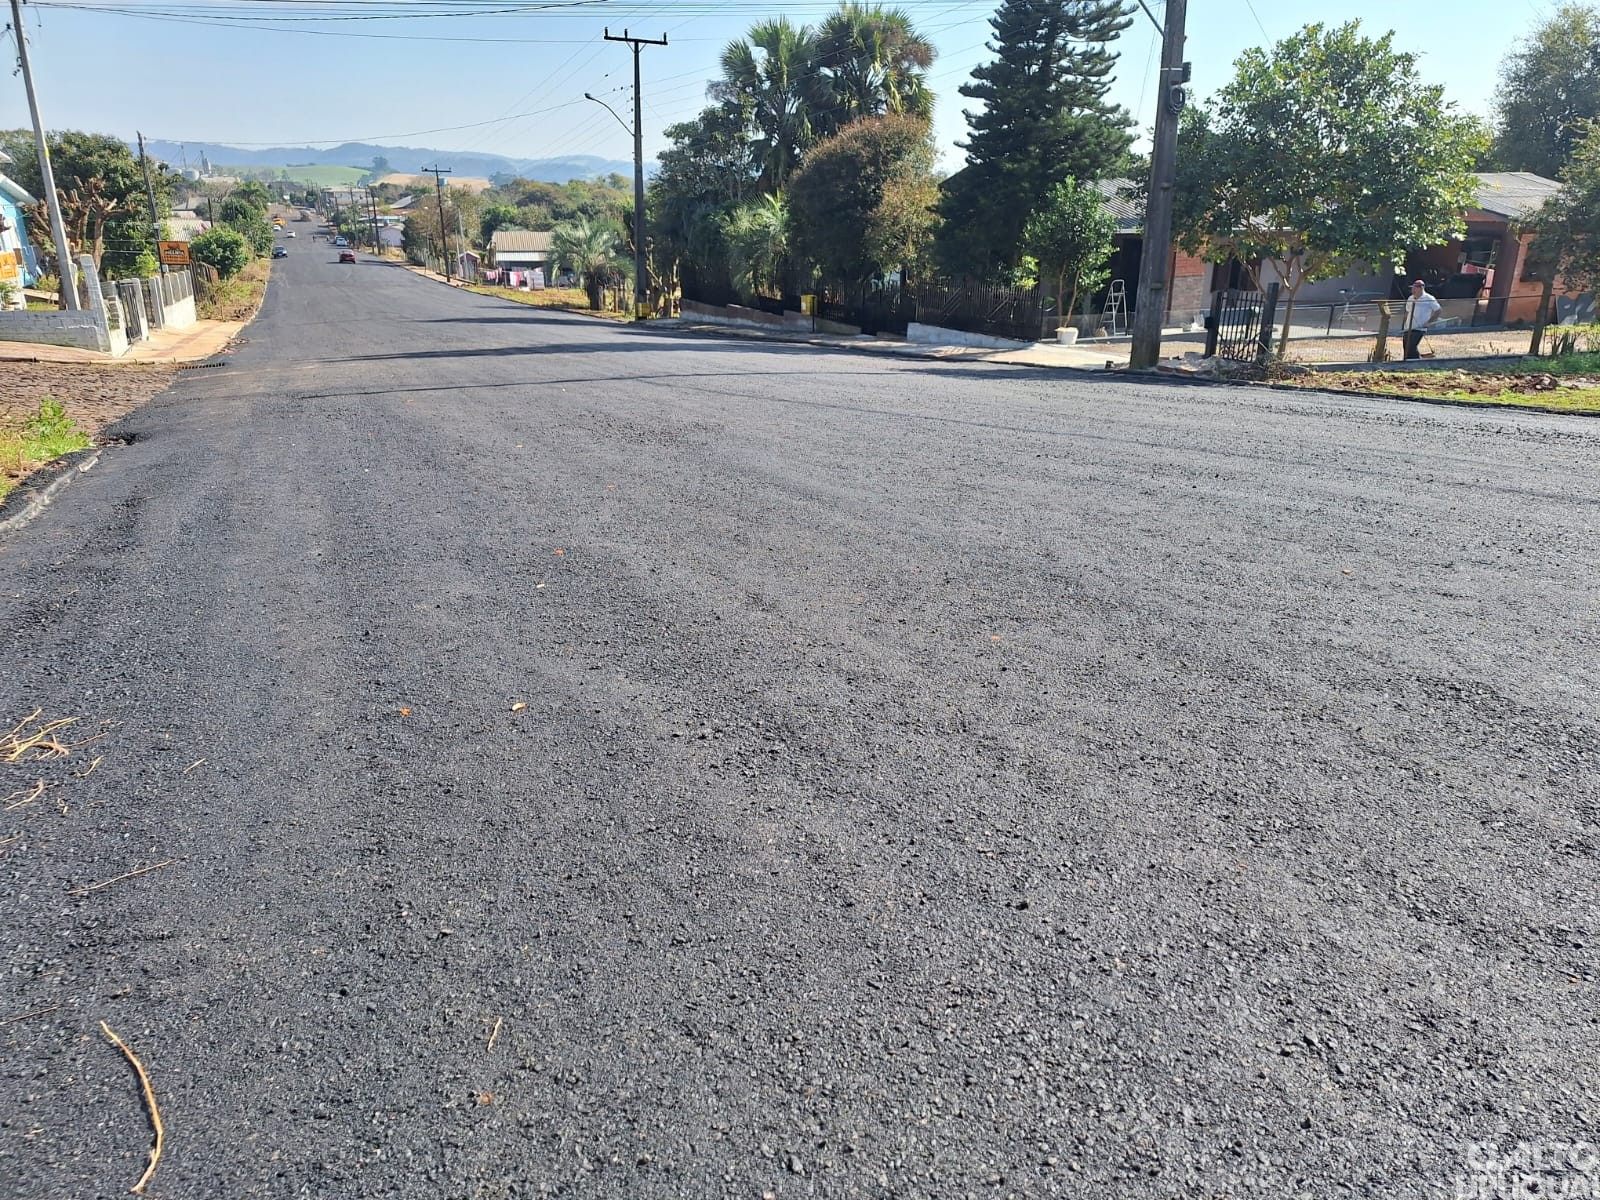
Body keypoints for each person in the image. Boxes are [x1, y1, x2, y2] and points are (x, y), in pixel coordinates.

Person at [1402, 279, 1441, 360]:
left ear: (1421, 288)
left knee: (1411, 347)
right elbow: (1407, 312)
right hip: (1408, 327)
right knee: (1406, 347)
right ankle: (1408, 363)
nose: (1412, 290)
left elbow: (1438, 310)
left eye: (1415, 288)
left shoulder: (1429, 298)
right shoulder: (1410, 298)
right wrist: (1404, 324)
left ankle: (1415, 363)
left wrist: (1429, 322)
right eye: (1412, 288)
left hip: (1419, 328)